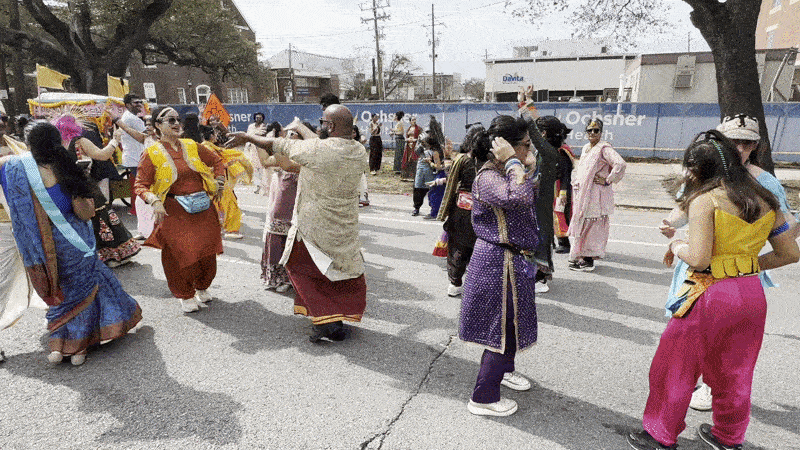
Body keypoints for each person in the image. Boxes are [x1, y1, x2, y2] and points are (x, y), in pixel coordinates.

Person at [627, 130, 799, 450]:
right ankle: (729, 437)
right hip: (750, 294)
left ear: (699, 170)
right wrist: (746, 266)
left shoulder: (705, 199)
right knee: (735, 370)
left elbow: (699, 257)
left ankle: (660, 435)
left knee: (675, 365)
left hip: (708, 292)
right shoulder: (765, 198)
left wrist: (677, 245)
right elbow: (791, 253)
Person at [659, 114, 800, 413]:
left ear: (756, 146)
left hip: (725, 275)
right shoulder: (702, 177)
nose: (740, 148)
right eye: (733, 141)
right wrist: (670, 224)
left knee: (712, 351)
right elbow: (683, 208)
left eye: (747, 143)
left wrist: (746, 261)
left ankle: (671, 422)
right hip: (706, 275)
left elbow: (787, 228)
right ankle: (726, 430)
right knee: (715, 351)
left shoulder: (765, 183)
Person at [0, 121, 142, 365]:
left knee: (66, 294)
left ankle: (66, 344)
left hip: (40, 248)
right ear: (57, 142)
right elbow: (86, 213)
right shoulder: (67, 168)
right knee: (82, 292)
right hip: (76, 241)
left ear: (28, 144)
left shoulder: (12, 168)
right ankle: (79, 344)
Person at [226, 104, 368, 343]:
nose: (321, 126)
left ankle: (326, 321)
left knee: (303, 271)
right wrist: (300, 126)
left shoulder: (318, 150)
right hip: (344, 226)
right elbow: (315, 143)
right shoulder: (357, 150)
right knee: (337, 272)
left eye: (324, 122)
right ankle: (336, 316)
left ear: (330, 126)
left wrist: (246, 136)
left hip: (315, 227)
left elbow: (277, 145)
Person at [460, 115, 540, 417]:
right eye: (524, 145)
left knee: (512, 325)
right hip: (497, 263)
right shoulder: (488, 177)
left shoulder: (504, 171)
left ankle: (504, 371)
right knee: (500, 329)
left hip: (510, 259)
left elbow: (531, 188)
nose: (527, 150)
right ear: (504, 147)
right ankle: (483, 396)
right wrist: (514, 162)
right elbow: (518, 196)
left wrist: (523, 163)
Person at [133, 107, 226, 313]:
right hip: (174, 212)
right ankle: (185, 293)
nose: (176, 124)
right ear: (158, 125)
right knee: (180, 255)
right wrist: (154, 201)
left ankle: (202, 286)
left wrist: (219, 180)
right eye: (170, 120)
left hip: (203, 208)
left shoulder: (192, 145)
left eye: (178, 119)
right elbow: (140, 185)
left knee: (207, 253)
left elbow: (217, 161)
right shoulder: (151, 153)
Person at [54, 115, 141, 267]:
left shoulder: (57, 146)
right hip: (87, 187)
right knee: (101, 216)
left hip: (68, 189)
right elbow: (103, 155)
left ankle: (91, 255)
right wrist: (115, 140)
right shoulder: (80, 142)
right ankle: (111, 255)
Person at [436, 125, 489, 297]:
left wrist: (447, 158)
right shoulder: (492, 161)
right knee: (479, 247)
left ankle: (455, 282)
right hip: (484, 211)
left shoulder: (463, 160)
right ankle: (477, 283)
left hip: (461, 212)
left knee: (458, 246)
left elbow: (451, 181)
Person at [568, 118, 626, 272]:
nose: (593, 133)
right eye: (589, 130)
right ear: (586, 133)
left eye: (596, 130)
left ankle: (588, 260)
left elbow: (620, 164)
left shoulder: (604, 148)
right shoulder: (587, 147)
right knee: (583, 223)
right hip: (583, 192)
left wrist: (608, 180)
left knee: (593, 226)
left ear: (601, 132)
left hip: (596, 194)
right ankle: (580, 256)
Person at [260, 128, 302, 292]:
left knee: (292, 245)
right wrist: (259, 141)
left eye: (294, 133)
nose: (289, 135)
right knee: (277, 240)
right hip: (280, 206)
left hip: (297, 208)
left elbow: (287, 164)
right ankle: (276, 278)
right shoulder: (283, 155)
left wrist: (272, 146)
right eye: (288, 133)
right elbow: (265, 162)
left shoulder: (305, 158)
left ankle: (289, 279)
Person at [201, 125, 253, 240]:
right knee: (230, 204)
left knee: (217, 205)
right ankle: (232, 230)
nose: (216, 136)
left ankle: (216, 228)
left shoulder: (209, 147)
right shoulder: (208, 148)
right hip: (216, 181)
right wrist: (230, 163)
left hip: (213, 181)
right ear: (210, 136)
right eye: (214, 134)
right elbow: (213, 165)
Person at [112, 94, 147, 227]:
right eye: (135, 102)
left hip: (134, 158)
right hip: (137, 159)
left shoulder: (129, 117)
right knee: (143, 190)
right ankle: (144, 218)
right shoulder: (132, 119)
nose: (139, 104)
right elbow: (146, 136)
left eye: (140, 102)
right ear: (127, 105)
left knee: (140, 189)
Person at [412, 133, 443, 217]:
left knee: (431, 189)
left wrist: (430, 162)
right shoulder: (420, 148)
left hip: (429, 170)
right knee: (418, 188)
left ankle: (433, 208)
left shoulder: (434, 151)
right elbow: (416, 151)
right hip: (421, 170)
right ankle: (417, 207)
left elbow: (437, 164)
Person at [246, 113, 269, 194]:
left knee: (262, 168)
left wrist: (255, 135)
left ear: (262, 119)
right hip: (252, 149)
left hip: (261, 149)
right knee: (255, 169)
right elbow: (248, 136)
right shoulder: (251, 126)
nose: (258, 119)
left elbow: (263, 135)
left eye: (260, 118)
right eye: (257, 117)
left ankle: (264, 187)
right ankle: (257, 186)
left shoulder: (264, 127)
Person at [401, 116, 422, 181]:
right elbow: (407, 136)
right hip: (408, 146)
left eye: (415, 119)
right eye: (412, 120)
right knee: (407, 159)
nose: (414, 121)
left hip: (415, 146)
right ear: (410, 121)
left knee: (413, 159)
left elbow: (421, 137)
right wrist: (407, 139)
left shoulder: (418, 128)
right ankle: (406, 176)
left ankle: (413, 176)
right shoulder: (409, 129)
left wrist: (415, 140)